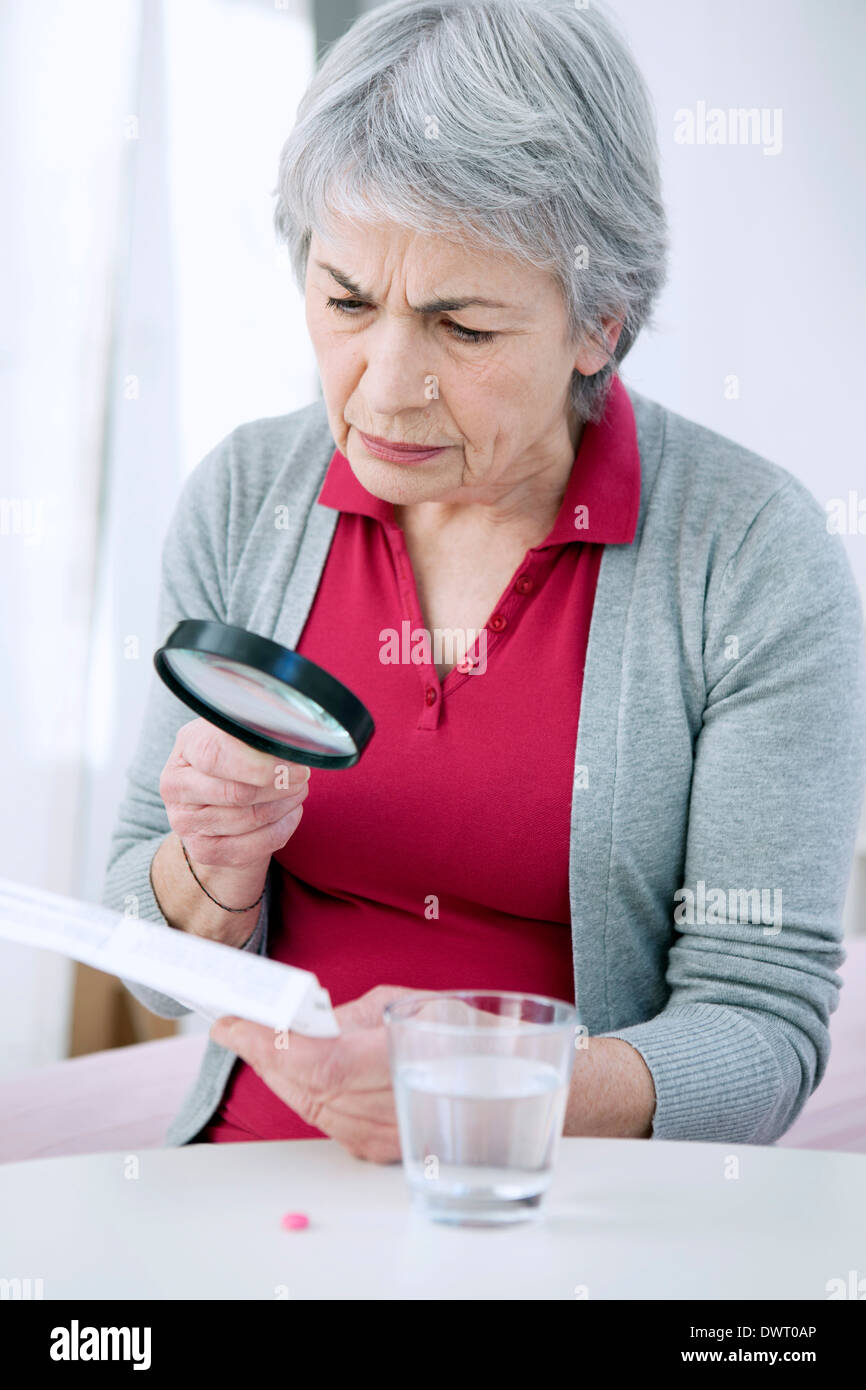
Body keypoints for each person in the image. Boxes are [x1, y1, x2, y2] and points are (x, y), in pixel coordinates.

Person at [103, 0, 866, 1158]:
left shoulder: (750, 557)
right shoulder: (245, 496)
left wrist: (484, 1082)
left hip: (564, 1206)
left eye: (460, 329)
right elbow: (148, 951)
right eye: (347, 301)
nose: (383, 388)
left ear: (596, 324)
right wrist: (209, 871)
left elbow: (759, 1031)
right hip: (249, 1179)